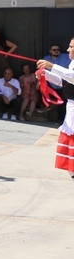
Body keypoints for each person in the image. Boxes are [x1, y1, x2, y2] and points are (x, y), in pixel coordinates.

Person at [38, 39, 74, 179]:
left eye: (71, 47)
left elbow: (72, 78)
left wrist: (52, 66)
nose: (68, 49)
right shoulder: (71, 64)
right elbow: (64, 81)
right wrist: (45, 74)